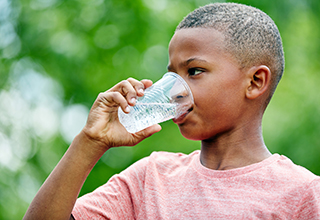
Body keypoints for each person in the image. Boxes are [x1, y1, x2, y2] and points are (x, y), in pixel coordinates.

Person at [23, 2, 320, 220]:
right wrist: (90, 142)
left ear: (255, 82)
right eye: (171, 74)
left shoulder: (303, 193)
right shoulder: (149, 179)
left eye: (194, 71)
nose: (176, 89)